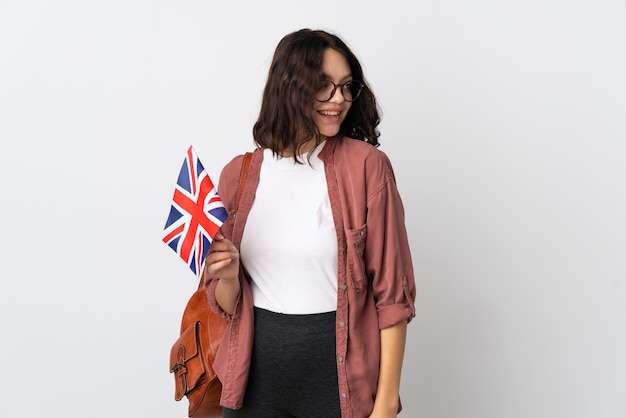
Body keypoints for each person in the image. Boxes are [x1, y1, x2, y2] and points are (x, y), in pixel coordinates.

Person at [203, 28, 416, 418]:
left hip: (338, 387)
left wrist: (385, 404)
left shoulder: (367, 168)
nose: (339, 99)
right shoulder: (238, 175)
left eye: (346, 87)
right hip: (251, 386)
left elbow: (394, 298)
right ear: (289, 87)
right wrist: (230, 277)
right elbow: (224, 303)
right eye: (324, 86)